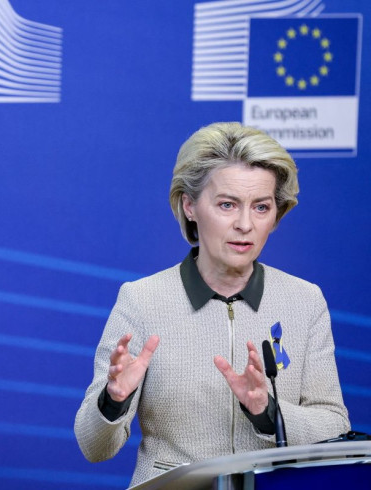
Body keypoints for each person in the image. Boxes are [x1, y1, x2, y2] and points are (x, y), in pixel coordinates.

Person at [74, 122, 350, 487]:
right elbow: (93, 447)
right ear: (189, 205)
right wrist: (113, 401)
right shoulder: (142, 300)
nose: (245, 224)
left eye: (261, 207)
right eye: (227, 204)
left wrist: (268, 412)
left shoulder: (304, 301)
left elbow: (334, 425)